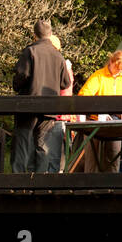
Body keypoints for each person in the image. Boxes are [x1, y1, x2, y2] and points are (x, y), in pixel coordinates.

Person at [13, 19, 73, 173]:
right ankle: (39, 180)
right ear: (50, 34)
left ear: (34, 35)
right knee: (43, 145)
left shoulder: (30, 51)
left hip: (29, 104)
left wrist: (16, 85)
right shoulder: (57, 55)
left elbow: (22, 75)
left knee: (23, 142)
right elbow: (65, 83)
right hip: (49, 107)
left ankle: (18, 178)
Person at [77, 50, 122, 172]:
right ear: (111, 62)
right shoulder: (99, 75)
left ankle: (111, 188)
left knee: (113, 158)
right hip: (95, 121)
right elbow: (83, 95)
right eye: (117, 68)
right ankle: (90, 188)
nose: (119, 71)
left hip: (116, 122)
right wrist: (100, 111)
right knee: (92, 160)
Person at [44, 34, 75, 173]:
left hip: (57, 117)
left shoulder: (59, 66)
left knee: (53, 158)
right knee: (57, 158)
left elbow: (65, 92)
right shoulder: (63, 65)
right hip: (60, 116)